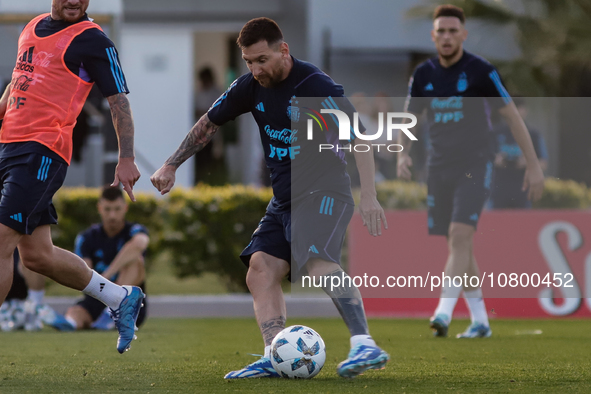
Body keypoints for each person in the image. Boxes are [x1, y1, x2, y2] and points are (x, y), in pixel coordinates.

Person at [151, 17, 390, 379]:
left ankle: (364, 344)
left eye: (262, 60)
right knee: (260, 270)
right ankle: (276, 354)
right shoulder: (249, 86)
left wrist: (369, 196)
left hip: (325, 192)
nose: (255, 69)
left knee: (317, 261)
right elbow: (209, 122)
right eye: (248, 61)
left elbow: (359, 137)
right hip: (284, 199)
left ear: (283, 50)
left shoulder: (316, 85)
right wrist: (171, 164)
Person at [0, 0, 144, 353]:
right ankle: (119, 296)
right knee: (36, 256)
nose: (74, 0)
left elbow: (119, 102)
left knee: (1, 238)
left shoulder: (94, 40)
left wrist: (126, 157)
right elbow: (17, 87)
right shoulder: (30, 27)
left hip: (43, 152)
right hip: (8, 147)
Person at [398, 5, 544, 338]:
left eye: (453, 31)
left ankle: (443, 312)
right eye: (441, 31)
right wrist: (402, 154)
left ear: (463, 34)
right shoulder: (423, 75)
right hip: (439, 167)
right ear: (433, 36)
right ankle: (481, 321)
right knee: (459, 245)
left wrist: (533, 165)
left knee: (460, 237)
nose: (447, 37)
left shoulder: (481, 71)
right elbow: (408, 121)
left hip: (476, 164)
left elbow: (512, 117)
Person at [45, 186, 149, 331]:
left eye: (117, 209)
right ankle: (71, 323)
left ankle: (114, 311)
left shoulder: (134, 231)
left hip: (128, 302)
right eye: (107, 209)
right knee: (76, 312)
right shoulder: (87, 237)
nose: (112, 215)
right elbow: (83, 270)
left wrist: (107, 276)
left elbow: (140, 244)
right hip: (98, 296)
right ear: (99, 208)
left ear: (125, 208)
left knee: (136, 261)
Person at [490, 98, 548, 209]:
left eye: (519, 108)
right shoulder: (495, 132)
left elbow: (543, 162)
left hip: (523, 189)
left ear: (526, 110)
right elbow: (484, 158)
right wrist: (497, 160)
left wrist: (529, 162)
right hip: (498, 189)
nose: (516, 112)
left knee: (522, 223)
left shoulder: (534, 134)